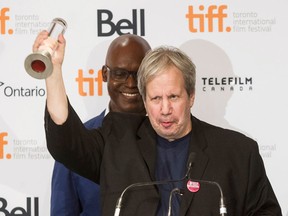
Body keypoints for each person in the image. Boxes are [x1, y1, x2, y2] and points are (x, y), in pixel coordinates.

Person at [33, 30, 282, 215]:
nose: (165, 109)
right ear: (144, 98)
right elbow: (65, 142)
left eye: (173, 97)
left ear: (191, 95)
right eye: (155, 98)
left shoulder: (238, 152)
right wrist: (53, 72)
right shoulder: (116, 141)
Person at [49, 34, 151, 215]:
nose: (131, 83)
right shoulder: (77, 139)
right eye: (120, 73)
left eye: (139, 74)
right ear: (105, 74)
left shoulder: (169, 136)